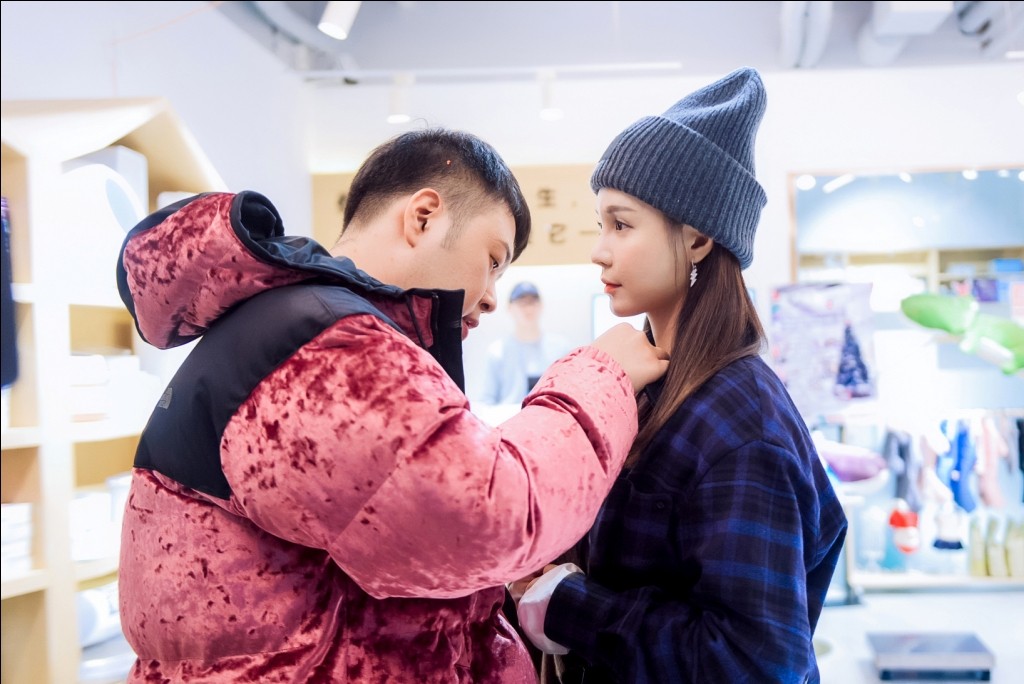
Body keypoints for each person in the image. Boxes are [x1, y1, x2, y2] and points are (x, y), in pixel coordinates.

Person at [114, 128, 669, 683]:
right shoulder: (327, 347)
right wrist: (602, 374)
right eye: (493, 260)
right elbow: (490, 518)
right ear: (424, 216)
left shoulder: (296, 326)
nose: (495, 295)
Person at [513, 67, 849, 683]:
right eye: (600, 224)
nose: (599, 249)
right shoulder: (648, 382)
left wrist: (569, 605)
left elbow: (754, 662)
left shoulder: (739, 422)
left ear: (697, 240)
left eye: (622, 223)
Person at [477, 281, 573, 406]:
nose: (528, 308)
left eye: (533, 302)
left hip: (551, 419)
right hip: (510, 421)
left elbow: (570, 394)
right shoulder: (497, 351)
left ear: (541, 305)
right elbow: (487, 401)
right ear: (510, 308)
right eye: (522, 303)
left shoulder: (561, 349)